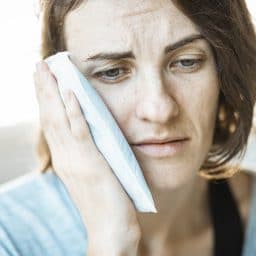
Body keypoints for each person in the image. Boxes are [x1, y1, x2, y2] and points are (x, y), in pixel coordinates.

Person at [1, 0, 256, 255]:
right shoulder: (8, 236)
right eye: (112, 72)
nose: (160, 110)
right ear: (58, 87)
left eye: (187, 61)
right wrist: (111, 241)